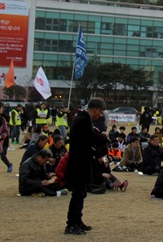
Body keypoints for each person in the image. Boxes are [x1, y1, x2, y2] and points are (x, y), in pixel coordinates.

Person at [63, 98, 110, 235]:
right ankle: (71, 224)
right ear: (96, 109)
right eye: (100, 112)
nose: (100, 115)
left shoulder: (82, 119)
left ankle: (77, 220)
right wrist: (103, 137)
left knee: (81, 193)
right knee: (77, 194)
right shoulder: (83, 120)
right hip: (79, 163)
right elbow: (90, 138)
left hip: (81, 161)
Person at [0, 102, 13, 174]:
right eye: (1, 108)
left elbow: (5, 131)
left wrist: (1, 136)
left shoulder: (2, 120)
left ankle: (9, 165)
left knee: (2, 155)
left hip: (0, 143)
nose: (2, 109)